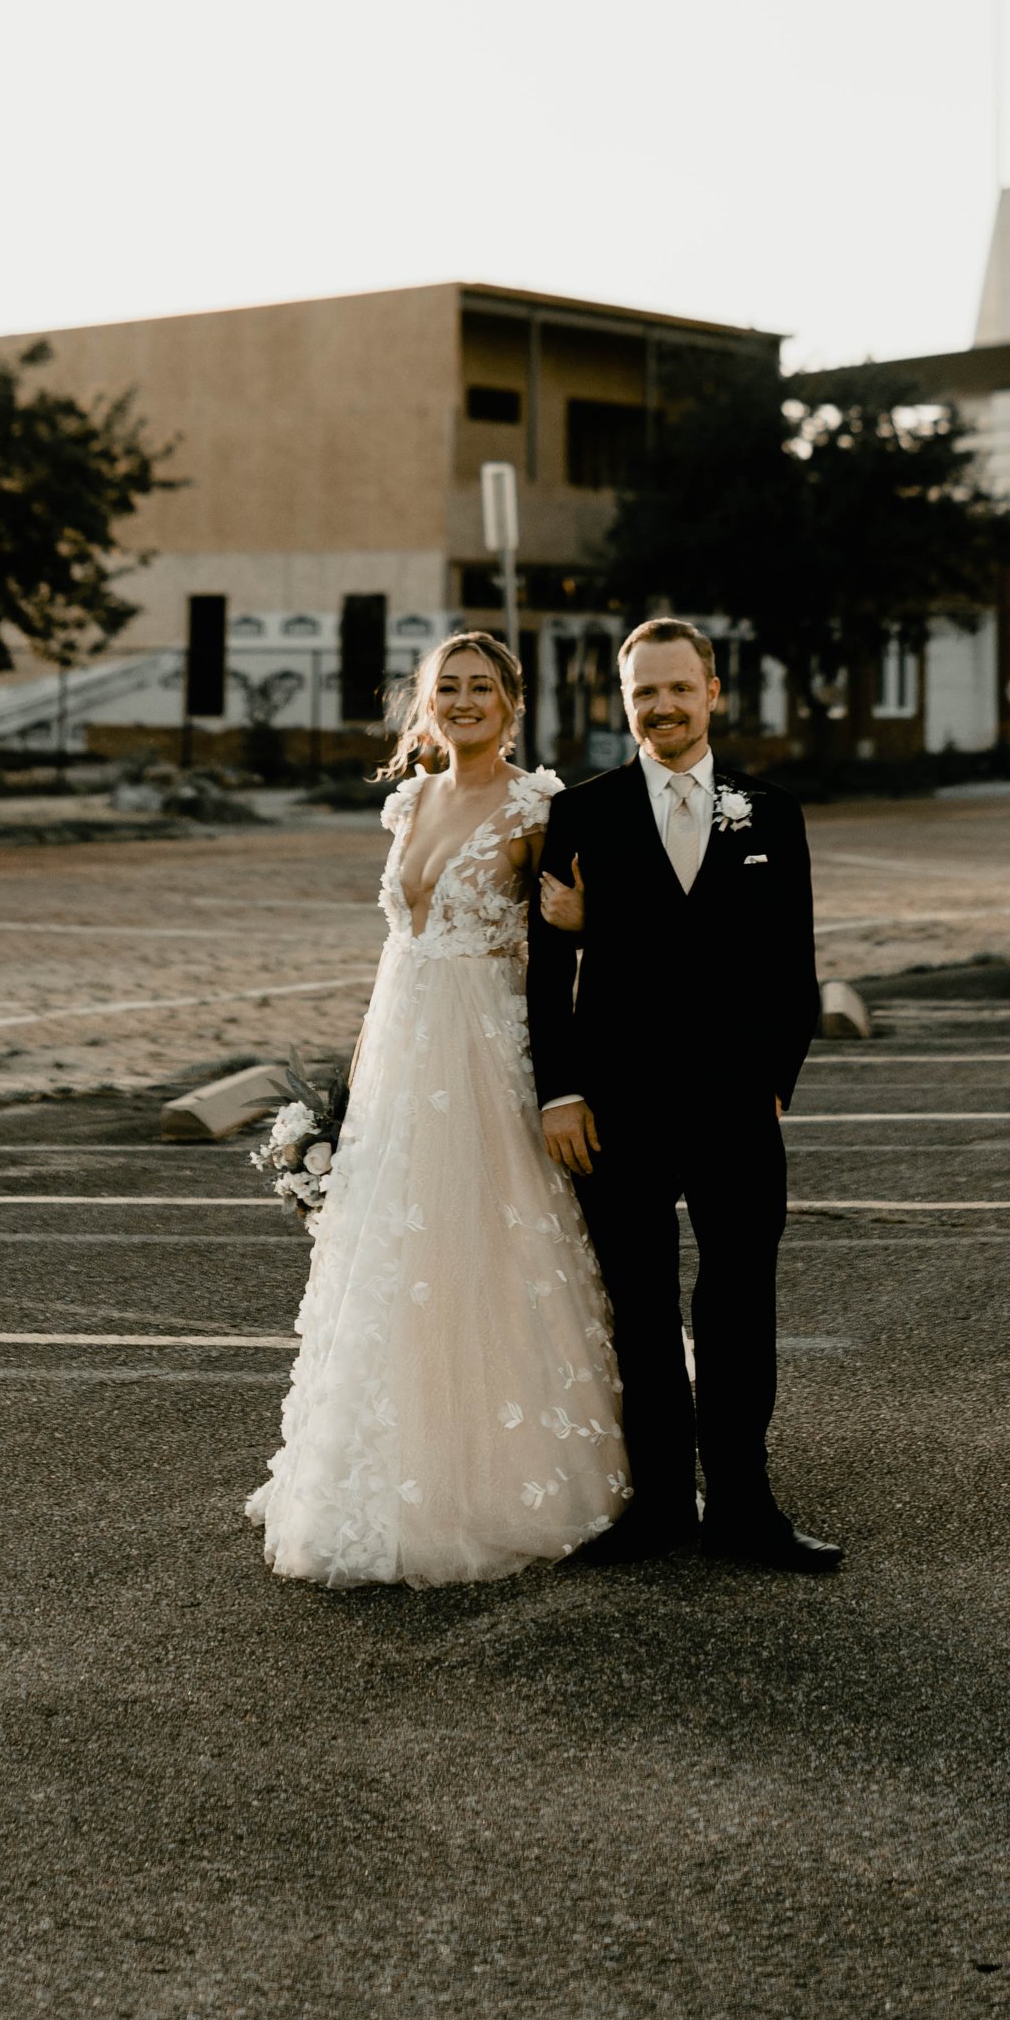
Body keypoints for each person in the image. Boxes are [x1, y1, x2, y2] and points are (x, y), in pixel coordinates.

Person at [248, 631, 627, 1586]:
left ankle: (496, 1478)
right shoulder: (406, 801)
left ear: (511, 702)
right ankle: (383, 1471)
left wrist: (580, 955)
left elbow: (577, 948)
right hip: (404, 1056)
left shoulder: (539, 807)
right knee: (395, 1261)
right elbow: (400, 948)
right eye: (446, 689)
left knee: (483, 1250)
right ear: (426, 706)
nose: (463, 702)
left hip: (489, 1054)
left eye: (481, 688)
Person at [527, 617, 836, 1572]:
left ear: (713, 692)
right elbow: (546, 973)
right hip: (615, 1107)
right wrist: (560, 1093)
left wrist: (775, 1085)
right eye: (642, 693)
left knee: (741, 1303)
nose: (661, 706)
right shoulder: (581, 813)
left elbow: (793, 968)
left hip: (738, 1105)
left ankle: (745, 1506)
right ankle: (659, 1505)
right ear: (622, 704)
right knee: (641, 1307)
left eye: (678, 688)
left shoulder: (769, 813)